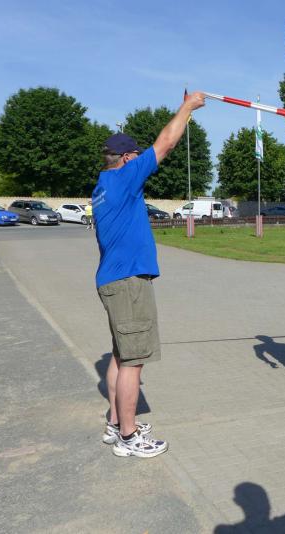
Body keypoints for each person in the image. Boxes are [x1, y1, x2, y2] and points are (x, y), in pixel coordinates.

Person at [94, 90, 206, 458]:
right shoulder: (124, 178)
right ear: (127, 158)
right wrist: (187, 108)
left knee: (121, 356)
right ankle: (128, 438)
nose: (142, 160)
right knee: (133, 361)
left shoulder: (103, 187)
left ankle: (116, 424)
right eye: (136, 155)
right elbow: (166, 143)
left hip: (114, 281)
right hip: (128, 283)